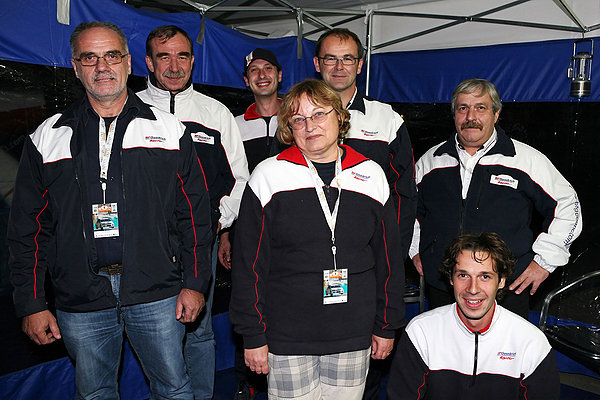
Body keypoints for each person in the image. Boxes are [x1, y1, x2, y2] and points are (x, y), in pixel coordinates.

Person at [7, 21, 212, 399]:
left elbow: (195, 217)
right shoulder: (48, 137)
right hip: (80, 297)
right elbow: (28, 228)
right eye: (90, 57)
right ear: (75, 67)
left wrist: (195, 284)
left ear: (128, 63)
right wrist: (31, 303)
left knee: (174, 390)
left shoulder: (169, 130)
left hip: (157, 293)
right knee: (94, 394)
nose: (102, 66)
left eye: (112, 56)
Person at [230, 79, 406, 400]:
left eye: (319, 114)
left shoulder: (371, 175)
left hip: (353, 333)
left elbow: (389, 261)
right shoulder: (268, 176)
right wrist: (252, 334)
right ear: (289, 128)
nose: (310, 125)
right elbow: (248, 266)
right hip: (286, 336)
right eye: (298, 119)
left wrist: (387, 324)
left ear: (339, 116)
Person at [137, 25, 250, 400]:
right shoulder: (129, 109)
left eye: (182, 56)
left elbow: (240, 178)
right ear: (149, 62)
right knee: (152, 330)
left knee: (199, 331)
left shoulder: (215, 113)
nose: (174, 66)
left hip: (199, 243)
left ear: (193, 60)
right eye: (164, 56)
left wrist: (216, 222)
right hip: (145, 247)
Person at [409, 78, 582, 319]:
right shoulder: (431, 161)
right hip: (445, 287)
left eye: (480, 108)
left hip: (507, 290)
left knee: (506, 345)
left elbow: (567, 205)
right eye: (463, 108)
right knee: (444, 344)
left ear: (496, 114)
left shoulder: (525, 160)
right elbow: (407, 210)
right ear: (454, 115)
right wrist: (416, 250)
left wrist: (545, 261)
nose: (471, 116)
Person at [313, 28, 417, 399]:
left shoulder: (387, 120)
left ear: (360, 65)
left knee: (366, 347)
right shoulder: (301, 115)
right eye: (330, 58)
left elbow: (404, 193)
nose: (339, 66)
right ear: (317, 64)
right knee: (310, 339)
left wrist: (392, 251)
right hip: (310, 255)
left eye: (347, 59)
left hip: (367, 260)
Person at [388, 232, 560, 399]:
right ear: (451, 279)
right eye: (463, 275)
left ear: (501, 281)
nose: (472, 289)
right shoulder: (421, 332)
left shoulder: (531, 342)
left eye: (485, 276)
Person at [226, 47, 283, 400]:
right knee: (247, 298)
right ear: (246, 80)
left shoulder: (298, 117)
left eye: (268, 68)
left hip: (289, 230)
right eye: (254, 71)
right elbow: (229, 181)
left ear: (279, 75)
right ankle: (245, 383)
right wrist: (226, 233)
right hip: (247, 232)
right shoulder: (233, 125)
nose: (262, 75)